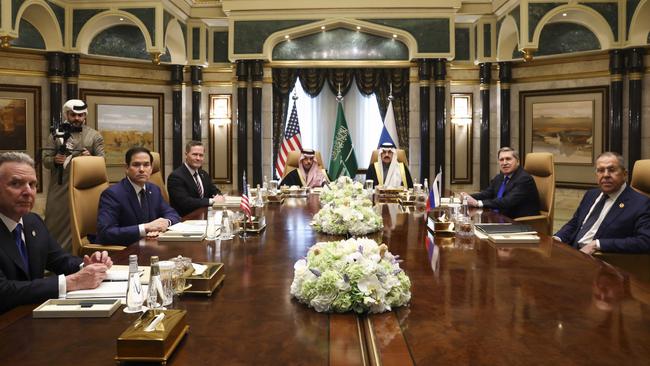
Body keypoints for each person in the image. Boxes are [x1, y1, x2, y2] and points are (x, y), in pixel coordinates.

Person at [0, 152, 112, 313]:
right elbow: (3, 291)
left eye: (32, 185)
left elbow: (59, 260)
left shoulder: (33, 221)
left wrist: (86, 264)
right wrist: (70, 282)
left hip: (29, 315)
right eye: (16, 184)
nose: (28, 192)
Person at [554, 152, 650, 254]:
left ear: (625, 174)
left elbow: (645, 241)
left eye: (612, 170)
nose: (606, 175)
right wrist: (557, 239)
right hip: (572, 253)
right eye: (600, 170)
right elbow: (574, 224)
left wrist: (598, 244)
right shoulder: (591, 195)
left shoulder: (641, 203)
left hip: (600, 260)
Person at [43, 99, 104, 253]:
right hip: (60, 187)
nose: (77, 118)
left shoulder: (94, 135)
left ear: (85, 116)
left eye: (80, 115)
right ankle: (54, 261)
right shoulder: (55, 135)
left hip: (85, 189)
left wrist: (90, 157)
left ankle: (80, 258)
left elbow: (101, 162)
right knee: (54, 223)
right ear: (67, 115)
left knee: (83, 223)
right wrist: (55, 160)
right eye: (73, 115)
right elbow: (45, 160)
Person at [96, 147, 180, 244]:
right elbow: (105, 233)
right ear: (127, 168)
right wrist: (145, 228)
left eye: (146, 165)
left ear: (151, 168)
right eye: (136, 165)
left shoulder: (154, 189)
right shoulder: (112, 194)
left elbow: (173, 214)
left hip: (150, 244)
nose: (141, 170)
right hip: (125, 249)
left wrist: (166, 222)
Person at [461, 147, 540, 219]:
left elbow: (507, 202)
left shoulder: (524, 179)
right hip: (499, 218)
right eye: (501, 160)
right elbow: (486, 194)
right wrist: (467, 197)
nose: (504, 163)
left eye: (508, 159)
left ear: (518, 161)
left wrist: (477, 203)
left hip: (518, 222)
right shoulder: (499, 177)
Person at [167, 141, 225, 216]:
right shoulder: (176, 177)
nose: (198, 158)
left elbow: (214, 191)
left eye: (201, 155)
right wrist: (211, 201)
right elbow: (185, 202)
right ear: (186, 155)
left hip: (204, 217)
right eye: (194, 154)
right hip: (185, 220)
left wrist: (219, 196)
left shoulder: (203, 174)